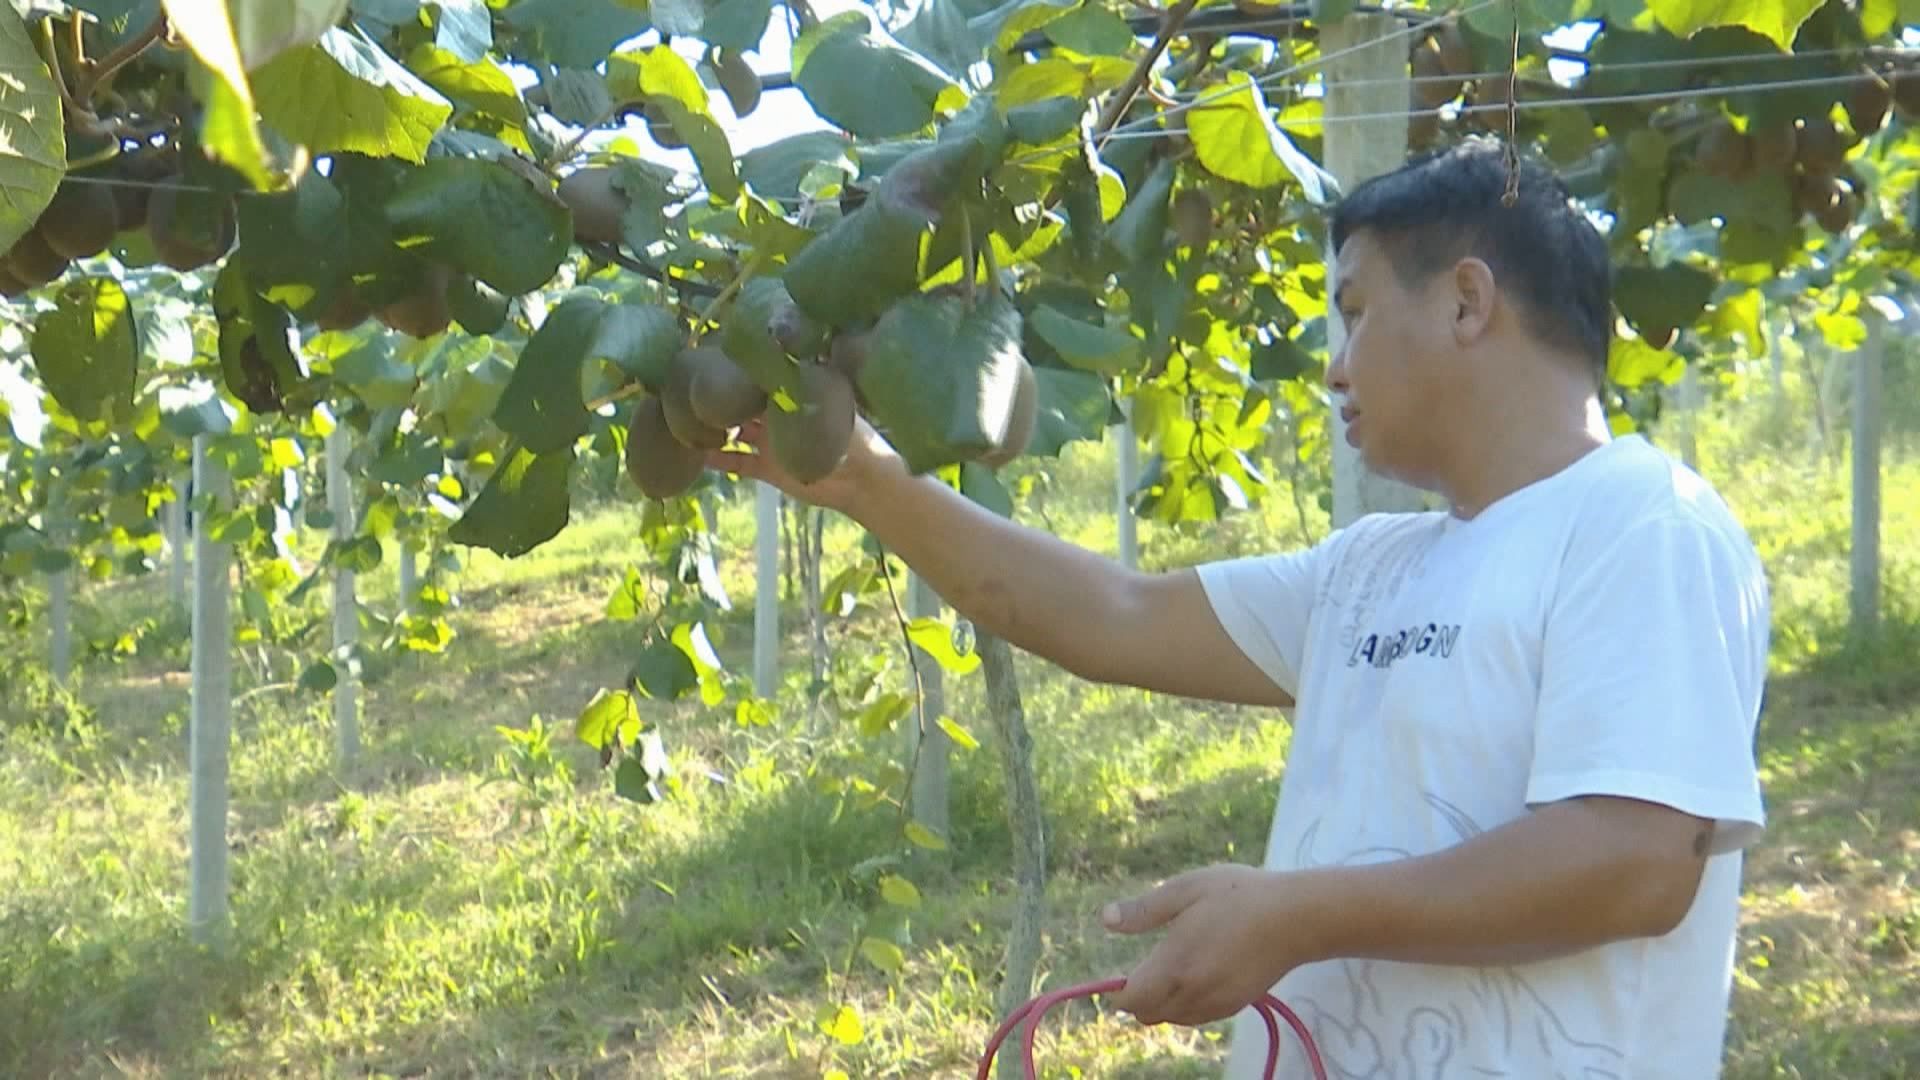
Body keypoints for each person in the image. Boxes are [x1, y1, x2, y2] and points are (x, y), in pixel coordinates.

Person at [711, 138, 1770, 1079]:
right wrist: (865, 481)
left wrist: (1297, 912)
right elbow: (1111, 616)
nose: (1336, 368)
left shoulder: (1642, 523)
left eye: (1353, 314)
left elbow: (1634, 862)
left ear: (1465, 301)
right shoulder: (1377, 567)